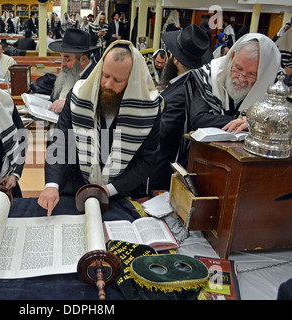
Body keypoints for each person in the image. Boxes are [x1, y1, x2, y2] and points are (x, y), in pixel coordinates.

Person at [37, 40, 161, 216]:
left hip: (122, 192)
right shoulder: (79, 95)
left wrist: (108, 190)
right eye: (105, 76)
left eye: (118, 80)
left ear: (132, 81)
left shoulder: (149, 109)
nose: (108, 85)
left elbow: (146, 160)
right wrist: (52, 185)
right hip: (78, 187)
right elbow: (60, 144)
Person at [150, 25, 213, 190]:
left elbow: (163, 133)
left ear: (175, 59)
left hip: (160, 171)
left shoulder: (182, 93)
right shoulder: (191, 83)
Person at [189, 33, 282, 134]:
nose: (241, 79)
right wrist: (251, 122)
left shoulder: (276, 88)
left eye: (252, 74)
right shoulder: (211, 74)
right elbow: (198, 119)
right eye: (238, 68)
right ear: (232, 57)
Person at [48, 28, 98, 114]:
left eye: (67, 59)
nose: (62, 64)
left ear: (83, 60)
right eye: (61, 58)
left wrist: (68, 105)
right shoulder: (70, 72)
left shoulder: (96, 79)